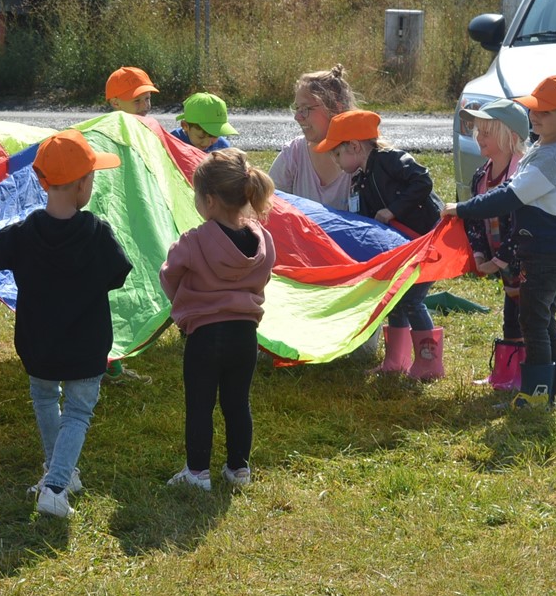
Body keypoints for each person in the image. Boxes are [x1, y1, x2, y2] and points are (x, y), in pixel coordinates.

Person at [0, 130, 132, 518]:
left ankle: (56, 472)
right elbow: (119, 273)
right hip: (85, 346)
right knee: (78, 413)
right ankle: (57, 485)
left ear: (43, 182)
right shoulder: (96, 233)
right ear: (83, 184)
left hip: (38, 344)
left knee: (46, 399)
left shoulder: (25, 233)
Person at [444, 75, 556, 409]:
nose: (535, 116)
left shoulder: (551, 157)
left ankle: (537, 394)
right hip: (542, 250)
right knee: (543, 320)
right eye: (534, 109)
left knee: (533, 322)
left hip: (544, 253)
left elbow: (509, 196)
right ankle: (551, 393)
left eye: (546, 112)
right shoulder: (544, 148)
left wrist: (463, 208)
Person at [160, 149, 275, 491]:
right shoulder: (262, 240)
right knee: (237, 402)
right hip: (245, 335)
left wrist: (185, 299)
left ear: (209, 200)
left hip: (205, 336)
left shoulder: (194, 241)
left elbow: (169, 275)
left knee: (200, 404)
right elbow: (266, 275)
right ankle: (238, 469)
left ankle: (197, 473)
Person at [316, 110, 444, 379]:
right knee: (395, 299)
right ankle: (396, 361)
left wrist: (393, 210)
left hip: (427, 241)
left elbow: (423, 180)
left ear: (354, 146)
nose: (335, 161)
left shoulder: (389, 159)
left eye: (337, 154)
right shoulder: (360, 179)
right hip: (403, 247)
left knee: (412, 299)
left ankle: (429, 364)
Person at [459, 99, 531, 391]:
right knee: (510, 317)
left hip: (528, 262)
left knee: (527, 318)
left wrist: (497, 260)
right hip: (503, 263)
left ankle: (524, 376)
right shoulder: (481, 176)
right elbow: (474, 218)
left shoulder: (519, 177)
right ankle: (505, 374)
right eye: (478, 131)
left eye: (487, 132)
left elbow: (519, 229)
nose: (479, 138)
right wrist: (479, 254)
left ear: (510, 137)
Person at [269, 65, 358, 210]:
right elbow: (268, 205)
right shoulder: (294, 153)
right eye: (297, 108)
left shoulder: (363, 156)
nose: (297, 117)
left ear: (336, 108)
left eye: (305, 109)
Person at [171, 92, 237, 152]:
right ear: (185, 126)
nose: (206, 143)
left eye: (214, 136)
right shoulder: (173, 141)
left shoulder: (222, 147)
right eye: (201, 137)